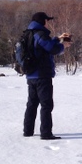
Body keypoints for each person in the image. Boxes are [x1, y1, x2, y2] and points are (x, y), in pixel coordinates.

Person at [22, 12, 72, 140]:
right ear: (43, 21)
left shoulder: (28, 33)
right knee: (46, 104)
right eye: (47, 20)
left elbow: (43, 45)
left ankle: (28, 131)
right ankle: (46, 133)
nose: (48, 22)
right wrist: (62, 45)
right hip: (42, 75)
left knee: (32, 103)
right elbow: (51, 49)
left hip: (31, 75)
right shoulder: (40, 34)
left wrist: (57, 38)